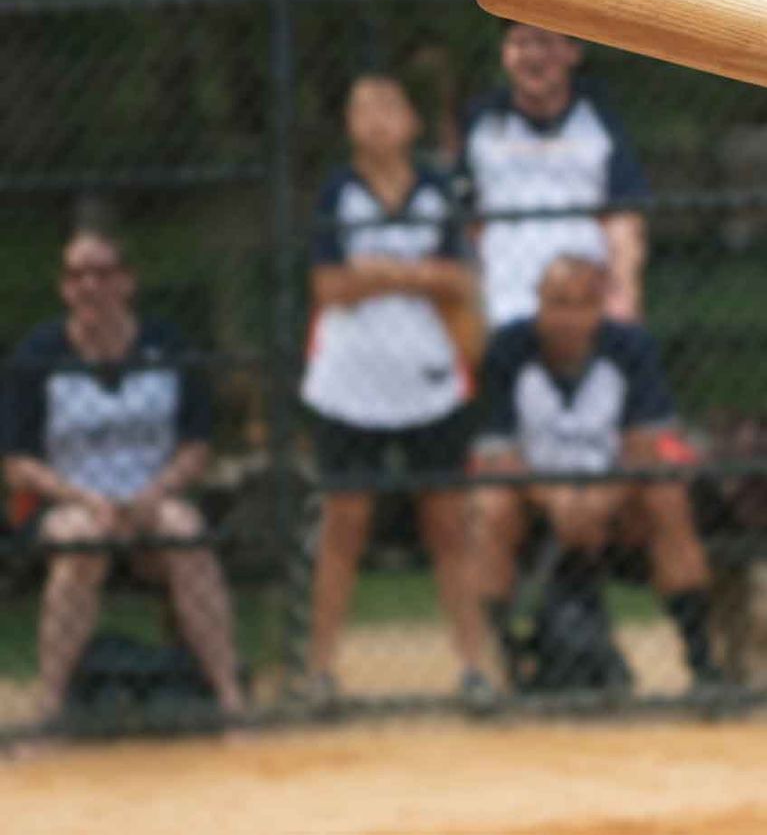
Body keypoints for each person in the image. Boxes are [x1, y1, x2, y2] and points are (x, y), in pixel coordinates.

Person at [1, 227, 246, 724]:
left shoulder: (164, 344)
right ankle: (51, 708)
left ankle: (229, 699)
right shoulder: (39, 355)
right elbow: (17, 464)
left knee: (185, 533)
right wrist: (86, 499)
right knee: (82, 546)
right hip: (70, 505)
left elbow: (196, 447)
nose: (90, 286)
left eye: (102, 273)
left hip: (151, 501)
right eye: (76, 276)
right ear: (64, 288)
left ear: (127, 282)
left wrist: (152, 495)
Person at [299, 72, 491, 704]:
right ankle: (320, 671)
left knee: (447, 525)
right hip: (349, 383)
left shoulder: (437, 190)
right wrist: (419, 274)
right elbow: (328, 288)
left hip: (428, 379)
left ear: (411, 123)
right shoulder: (338, 191)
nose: (377, 120)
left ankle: (474, 668)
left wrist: (377, 270)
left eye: (389, 105)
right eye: (362, 109)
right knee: (344, 524)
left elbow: (461, 282)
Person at [471, 255, 718, 685]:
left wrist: (599, 502)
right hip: (535, 503)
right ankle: (505, 662)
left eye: (581, 304)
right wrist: (556, 500)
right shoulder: (509, 349)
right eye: (557, 303)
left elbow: (646, 447)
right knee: (491, 505)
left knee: (666, 496)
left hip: (616, 505)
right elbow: (498, 454)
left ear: (599, 307)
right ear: (538, 304)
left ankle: (702, 664)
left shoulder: (629, 347)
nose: (568, 318)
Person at [460, 23, 650, 329]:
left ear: (574, 52)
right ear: (505, 54)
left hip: (584, 313)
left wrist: (623, 293)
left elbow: (624, 219)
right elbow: (468, 225)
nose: (534, 55)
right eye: (521, 43)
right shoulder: (481, 125)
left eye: (545, 43)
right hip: (501, 310)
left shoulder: (599, 124)